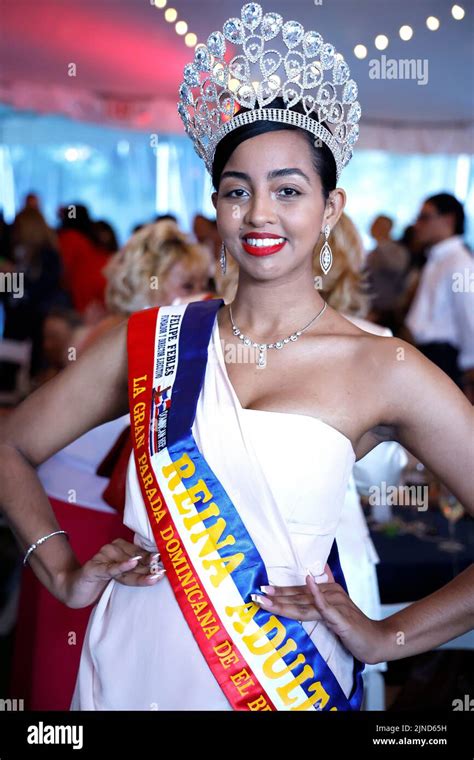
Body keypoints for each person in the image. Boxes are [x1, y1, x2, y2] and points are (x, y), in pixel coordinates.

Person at [0, 3, 473, 713]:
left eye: (288, 190)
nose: (259, 215)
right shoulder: (150, 339)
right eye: (236, 191)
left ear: (331, 207)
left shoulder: (384, 367)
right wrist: (59, 568)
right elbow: (9, 444)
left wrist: (387, 639)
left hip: (284, 677)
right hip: (133, 657)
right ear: (215, 203)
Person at [405, 193, 474, 399]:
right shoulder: (438, 257)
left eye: (425, 217)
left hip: (443, 359)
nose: (417, 224)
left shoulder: (459, 262)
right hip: (428, 355)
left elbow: (469, 316)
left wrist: (470, 368)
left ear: (448, 220)